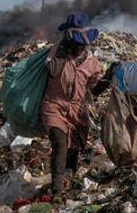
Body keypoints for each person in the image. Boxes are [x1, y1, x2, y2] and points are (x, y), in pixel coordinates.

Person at [40, 12, 113, 197]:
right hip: (54, 105)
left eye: (84, 44)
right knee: (60, 143)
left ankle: (69, 182)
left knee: (73, 149)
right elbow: (53, 71)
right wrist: (65, 51)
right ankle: (57, 192)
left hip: (77, 111)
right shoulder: (57, 51)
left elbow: (95, 90)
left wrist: (111, 75)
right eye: (78, 43)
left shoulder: (91, 62)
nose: (81, 48)